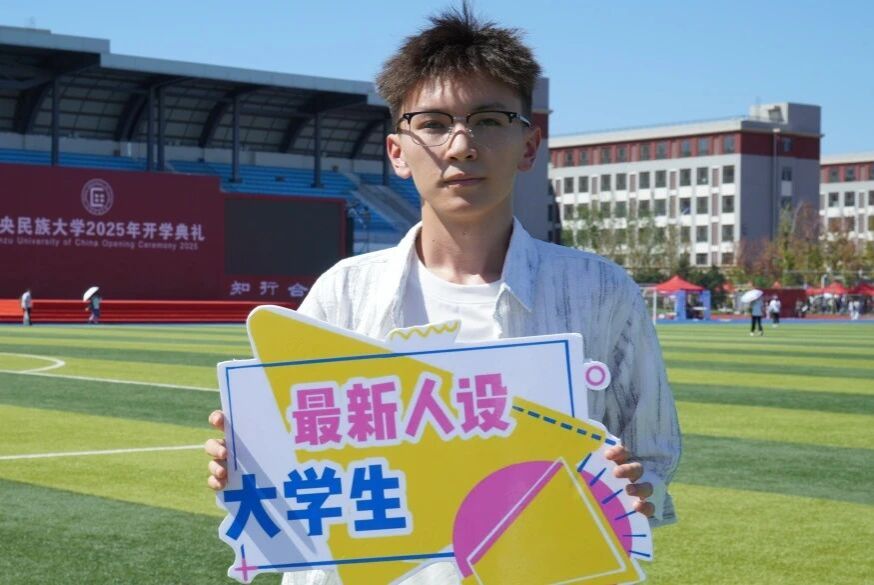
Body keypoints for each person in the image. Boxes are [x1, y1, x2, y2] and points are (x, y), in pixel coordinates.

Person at [205, 6, 681, 584]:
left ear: (529, 145)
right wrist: (247, 461)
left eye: (489, 120)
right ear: (397, 152)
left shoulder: (601, 293)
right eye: (432, 123)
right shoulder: (342, 294)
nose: (460, 146)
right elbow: (291, 473)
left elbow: (651, 456)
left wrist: (631, 489)